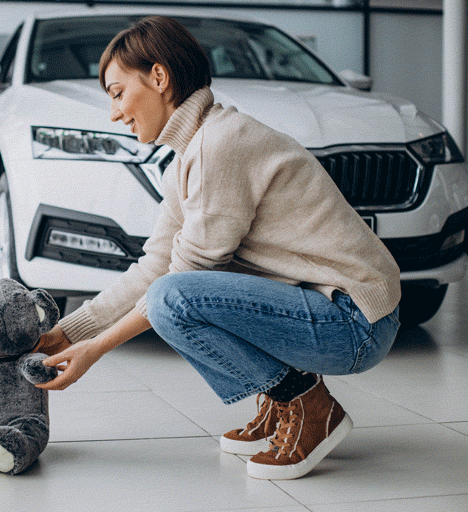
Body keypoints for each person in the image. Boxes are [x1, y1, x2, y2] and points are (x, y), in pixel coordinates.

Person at [36, 16, 401, 480]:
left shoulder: (219, 145)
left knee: (175, 300)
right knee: (173, 292)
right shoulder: (191, 153)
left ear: (159, 77)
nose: (114, 113)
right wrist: (70, 333)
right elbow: (155, 265)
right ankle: (279, 398)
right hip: (330, 309)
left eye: (117, 92)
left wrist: (95, 350)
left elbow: (177, 285)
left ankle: (306, 403)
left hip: (355, 322)